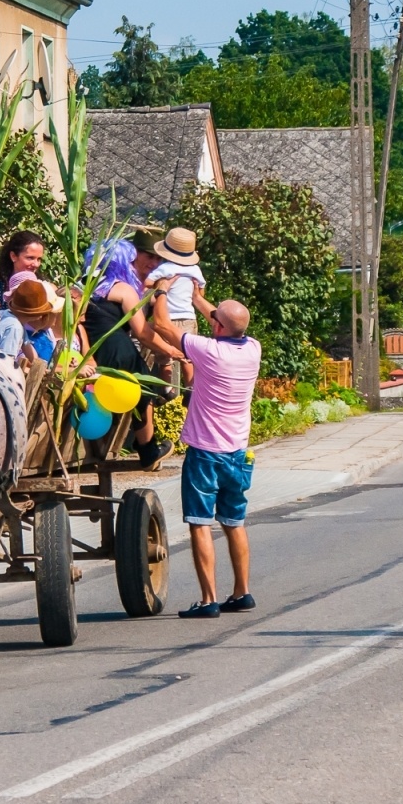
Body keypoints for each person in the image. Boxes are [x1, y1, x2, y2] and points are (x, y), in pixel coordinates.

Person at [150, 291, 260, 619]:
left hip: (206, 454)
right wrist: (197, 296)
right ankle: (242, 592)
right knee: (234, 523)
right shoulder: (252, 348)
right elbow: (224, 316)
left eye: (215, 320)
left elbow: (162, 325)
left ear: (219, 328)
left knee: (200, 524)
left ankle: (208, 598)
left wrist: (161, 291)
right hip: (238, 453)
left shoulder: (208, 350)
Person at [82, 238, 182, 469]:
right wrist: (170, 350)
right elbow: (143, 333)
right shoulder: (122, 289)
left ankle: (99, 446)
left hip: (92, 351)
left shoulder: (82, 285)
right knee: (144, 393)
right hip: (118, 348)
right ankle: (148, 451)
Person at [146, 228, 213, 389]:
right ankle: (190, 387)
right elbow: (200, 292)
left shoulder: (166, 269)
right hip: (189, 318)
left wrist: (159, 287)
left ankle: (167, 388)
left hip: (167, 319)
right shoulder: (195, 270)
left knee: (166, 357)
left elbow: (147, 283)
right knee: (188, 356)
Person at [0, 278, 59, 361]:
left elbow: (29, 350)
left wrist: (39, 366)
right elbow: (6, 361)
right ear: (37, 315)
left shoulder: (12, 317)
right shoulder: (14, 327)